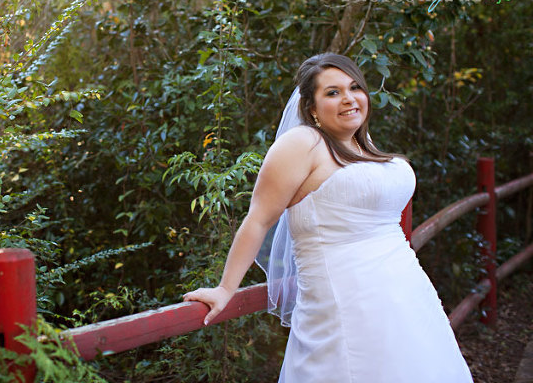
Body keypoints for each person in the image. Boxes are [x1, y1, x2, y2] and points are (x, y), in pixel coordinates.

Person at [183, 53, 473, 382]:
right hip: (346, 303)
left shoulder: (362, 146)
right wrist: (225, 289)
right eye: (333, 92)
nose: (349, 98)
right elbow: (258, 220)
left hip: (407, 295)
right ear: (311, 108)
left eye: (355, 87)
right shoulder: (302, 143)